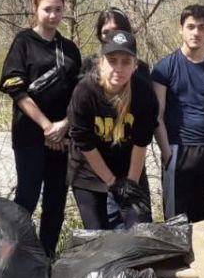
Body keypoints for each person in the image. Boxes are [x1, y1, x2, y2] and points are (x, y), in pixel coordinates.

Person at [0, 0, 82, 256]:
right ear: (35, 9)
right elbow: (14, 87)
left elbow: (79, 95)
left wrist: (63, 126)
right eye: (47, 9)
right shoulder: (23, 42)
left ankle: (45, 257)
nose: (53, 15)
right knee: (27, 198)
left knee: (56, 202)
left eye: (58, 9)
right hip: (30, 135)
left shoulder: (69, 49)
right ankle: (12, 257)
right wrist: (47, 126)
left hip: (62, 136)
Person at [68, 29, 158, 229]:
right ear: (101, 62)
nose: (119, 67)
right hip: (88, 173)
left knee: (140, 231)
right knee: (99, 239)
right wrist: (110, 181)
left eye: (126, 61)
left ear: (135, 65)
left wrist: (131, 185)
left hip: (129, 169)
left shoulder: (144, 93)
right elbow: (84, 142)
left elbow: (141, 142)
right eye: (112, 60)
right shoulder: (85, 92)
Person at [152, 4, 204, 221]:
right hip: (179, 150)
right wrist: (166, 153)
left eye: (201, 27)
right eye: (190, 27)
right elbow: (157, 115)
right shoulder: (164, 68)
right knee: (177, 221)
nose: (196, 32)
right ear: (181, 29)